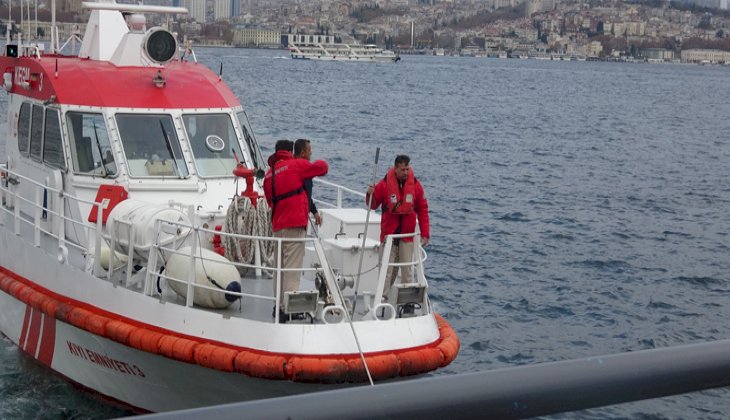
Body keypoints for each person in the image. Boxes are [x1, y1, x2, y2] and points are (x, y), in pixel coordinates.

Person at [263, 139, 328, 319]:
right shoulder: (296, 165)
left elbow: (270, 201)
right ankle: (288, 311)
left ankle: (278, 305)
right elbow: (323, 167)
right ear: (290, 151)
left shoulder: (269, 175)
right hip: (294, 224)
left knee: (279, 269)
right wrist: (307, 163)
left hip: (278, 226)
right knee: (292, 269)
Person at [366, 154, 430, 300]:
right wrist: (370, 194)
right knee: (387, 271)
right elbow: (373, 205)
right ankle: (381, 300)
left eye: (407, 169)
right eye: (403, 170)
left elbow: (423, 208)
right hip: (389, 236)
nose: (406, 173)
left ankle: (407, 303)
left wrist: (425, 232)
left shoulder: (415, 185)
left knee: (407, 271)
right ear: (395, 169)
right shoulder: (384, 185)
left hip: (406, 237)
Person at [294, 138, 321, 225]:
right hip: (297, 218)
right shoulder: (296, 171)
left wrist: (314, 211)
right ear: (302, 153)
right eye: (309, 151)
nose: (311, 153)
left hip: (303, 216)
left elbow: (306, 194)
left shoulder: (305, 171)